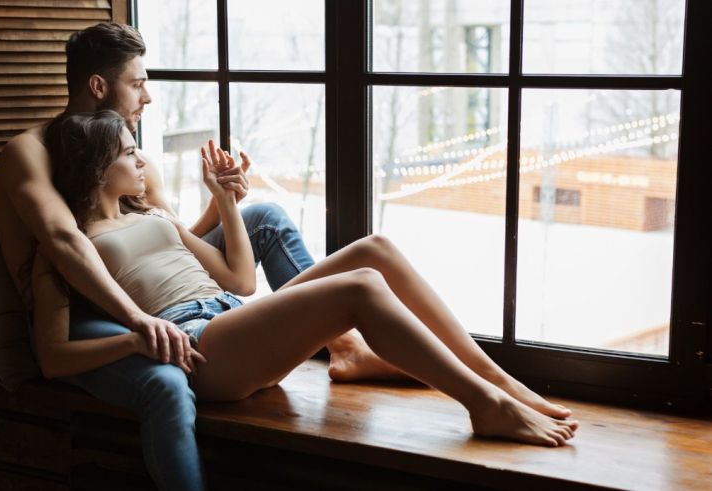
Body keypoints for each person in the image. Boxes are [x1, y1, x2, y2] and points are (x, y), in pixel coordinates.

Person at [35, 110, 579, 456]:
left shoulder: (155, 215)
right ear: (96, 168)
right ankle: (485, 405)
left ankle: (496, 378)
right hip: (203, 347)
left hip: (230, 315)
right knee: (361, 284)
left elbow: (241, 280)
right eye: (128, 151)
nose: (140, 158)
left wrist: (224, 198)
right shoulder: (76, 242)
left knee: (375, 249)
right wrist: (138, 335)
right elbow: (53, 352)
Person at [0, 22, 314, 490]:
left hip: (142, 282)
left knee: (262, 215)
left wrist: (223, 199)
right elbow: (66, 243)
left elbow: (168, 237)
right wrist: (139, 320)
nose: (148, 98)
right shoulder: (32, 150)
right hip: (81, 302)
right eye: (138, 83)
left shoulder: (133, 155)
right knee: (165, 382)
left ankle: (343, 345)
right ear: (99, 86)